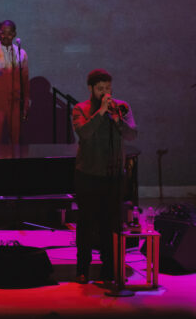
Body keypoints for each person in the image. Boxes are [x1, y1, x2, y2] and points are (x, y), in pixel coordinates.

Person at [72, 69, 137, 285]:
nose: (105, 93)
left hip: (114, 176)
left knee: (112, 224)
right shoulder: (80, 109)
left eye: (108, 88)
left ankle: (109, 269)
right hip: (88, 175)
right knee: (86, 224)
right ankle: (82, 269)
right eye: (100, 89)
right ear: (91, 89)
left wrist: (118, 120)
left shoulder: (122, 107)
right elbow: (84, 133)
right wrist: (100, 112)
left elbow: (132, 134)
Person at [0, 20, 30, 145]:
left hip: (15, 102)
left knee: (15, 139)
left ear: (14, 34)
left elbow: (25, 81)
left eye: (9, 33)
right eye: (3, 33)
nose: (6, 36)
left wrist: (25, 105)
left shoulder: (21, 53)